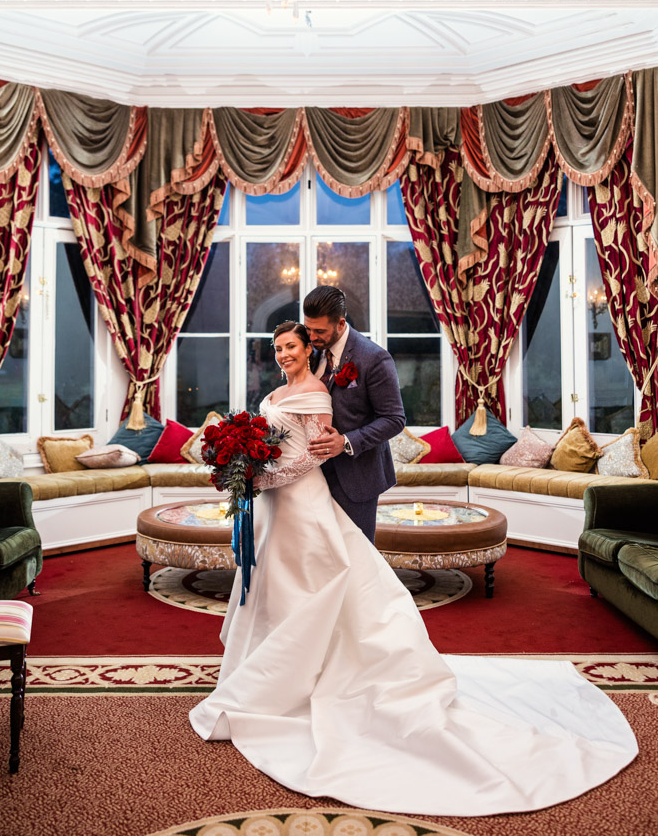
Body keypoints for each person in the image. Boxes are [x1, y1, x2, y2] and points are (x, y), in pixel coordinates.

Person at [189, 321, 637, 817]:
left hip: (299, 499)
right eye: (276, 349)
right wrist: (248, 467)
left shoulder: (316, 390)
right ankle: (272, 668)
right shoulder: (277, 391)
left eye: (290, 346)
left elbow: (310, 459)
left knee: (318, 581)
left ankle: (310, 672)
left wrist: (257, 476)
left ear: (307, 347)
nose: (282, 355)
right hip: (277, 505)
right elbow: (275, 442)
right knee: (277, 586)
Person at [302, 285, 405, 542]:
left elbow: (394, 419)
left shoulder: (374, 358)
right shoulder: (310, 352)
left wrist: (345, 442)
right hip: (311, 476)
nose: (312, 337)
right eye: (308, 329)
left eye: (319, 331)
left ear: (340, 323)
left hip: (357, 477)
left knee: (355, 557)